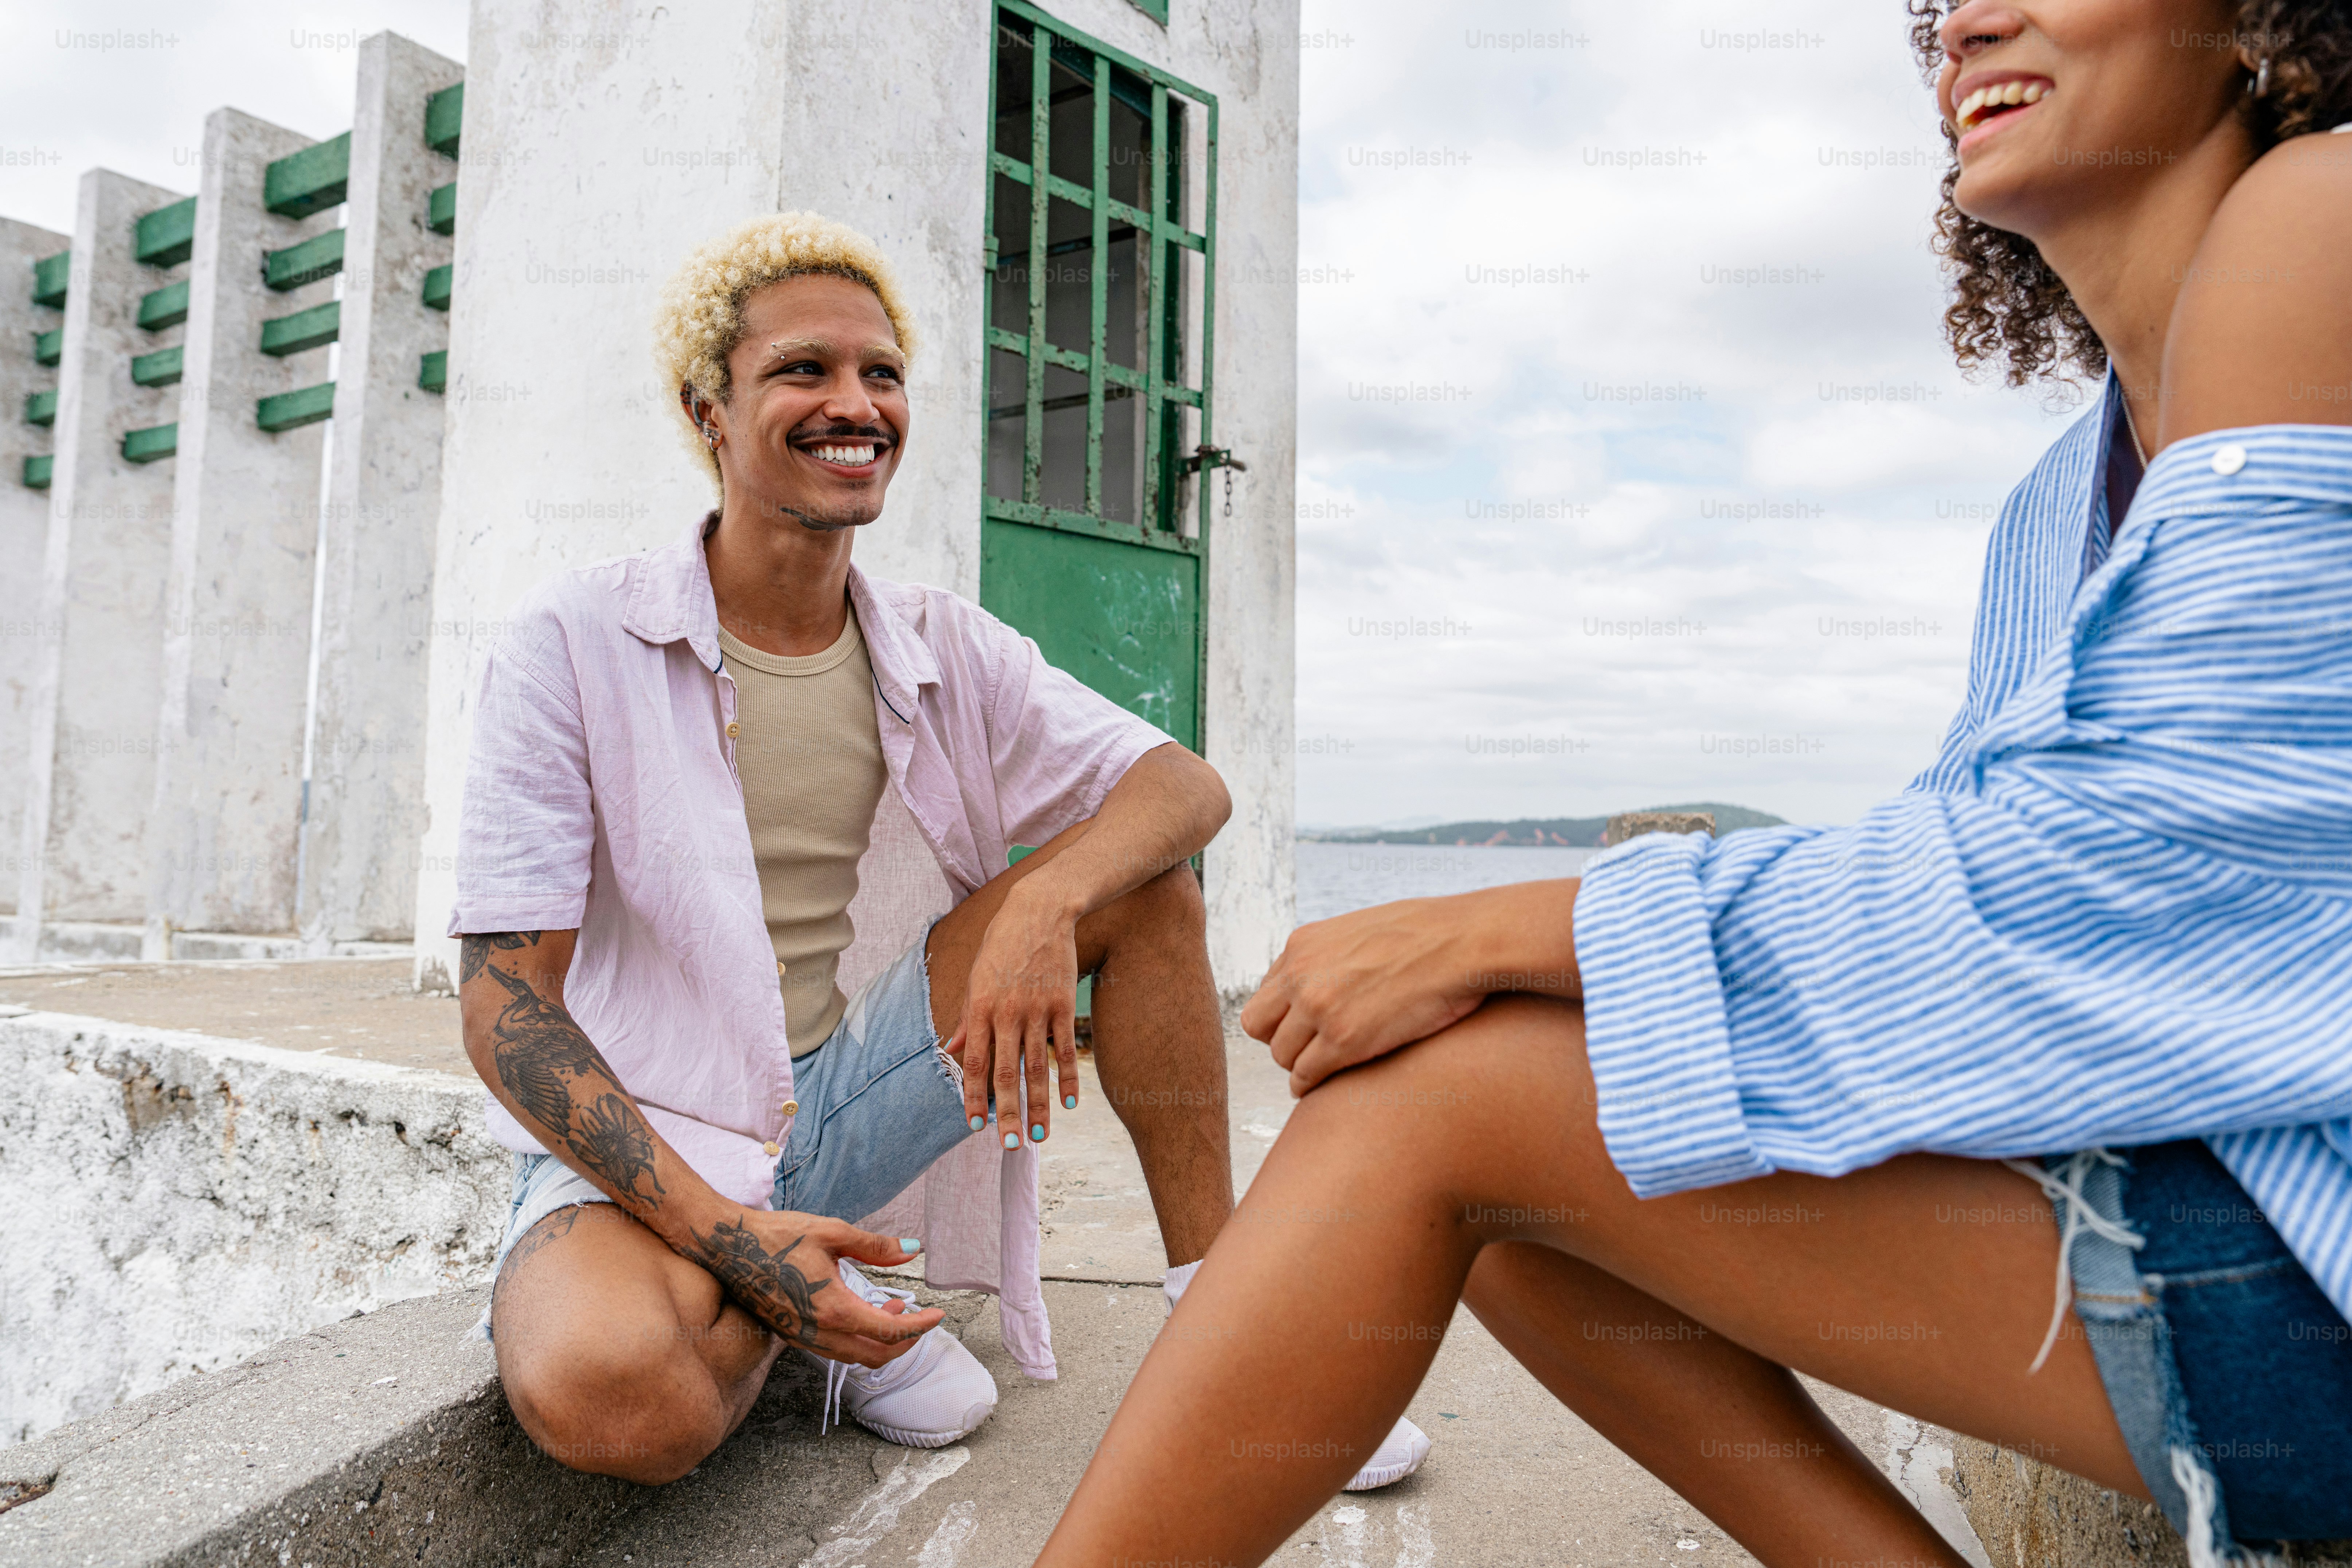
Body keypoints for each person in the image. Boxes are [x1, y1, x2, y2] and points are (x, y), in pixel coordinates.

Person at [1034, 2, 2352, 1563]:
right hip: (2220, 1200)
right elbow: (1985, 870)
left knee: (1434, 1105)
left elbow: (2125, 881)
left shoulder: (2323, 211)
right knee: (1477, 1076)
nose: (1967, 21)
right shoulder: (2057, 498)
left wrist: (1516, 925)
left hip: (2305, 1245)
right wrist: (1528, 966)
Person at [447, 211, 1428, 1490]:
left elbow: (1182, 786)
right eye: (803, 370)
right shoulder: (574, 641)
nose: (855, 404)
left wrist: (1043, 903)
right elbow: (505, 1004)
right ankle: (824, 1309)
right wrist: (736, 1244)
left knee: (1147, 888)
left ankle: (1234, 1319)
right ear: (708, 412)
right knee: (617, 1403)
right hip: (658, 1130)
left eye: (883, 373)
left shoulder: (938, 641)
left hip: (850, 1093)